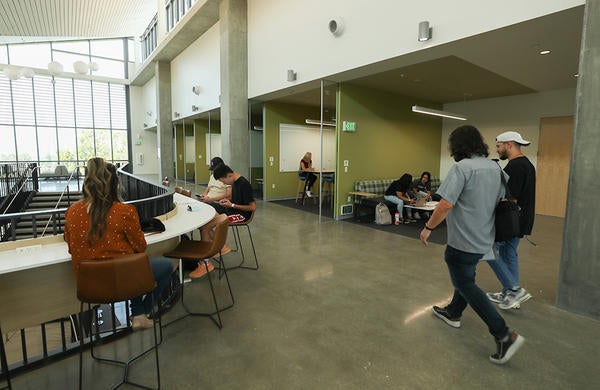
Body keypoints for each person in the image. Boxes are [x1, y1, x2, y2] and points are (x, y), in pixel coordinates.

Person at [420, 125, 525, 364]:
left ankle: (503, 334)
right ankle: (453, 312)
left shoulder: (462, 168)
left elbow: (445, 205)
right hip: (484, 238)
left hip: (463, 240)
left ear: (458, 146)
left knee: (464, 283)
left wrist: (428, 229)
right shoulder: (494, 167)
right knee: (466, 278)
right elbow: (501, 198)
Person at [64, 158, 173, 331]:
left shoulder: (72, 212)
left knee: (130, 262)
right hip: (124, 281)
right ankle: (141, 313)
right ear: (115, 185)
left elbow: (70, 246)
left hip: (89, 286)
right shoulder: (124, 211)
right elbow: (140, 246)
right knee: (166, 265)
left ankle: (138, 314)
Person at [486, 131, 536, 310]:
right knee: (509, 253)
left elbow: (510, 197)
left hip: (510, 219)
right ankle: (509, 294)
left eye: (499, 146)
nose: (497, 150)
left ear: (509, 144)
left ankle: (514, 289)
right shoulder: (526, 164)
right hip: (520, 218)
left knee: (491, 252)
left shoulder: (516, 166)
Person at [195, 164, 257, 277]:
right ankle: (220, 246)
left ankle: (206, 263)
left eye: (223, 181)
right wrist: (225, 202)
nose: (224, 184)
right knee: (205, 219)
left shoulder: (244, 184)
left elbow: (252, 207)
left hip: (242, 215)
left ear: (229, 175)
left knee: (205, 228)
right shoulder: (234, 182)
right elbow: (236, 199)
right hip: (232, 209)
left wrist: (232, 205)